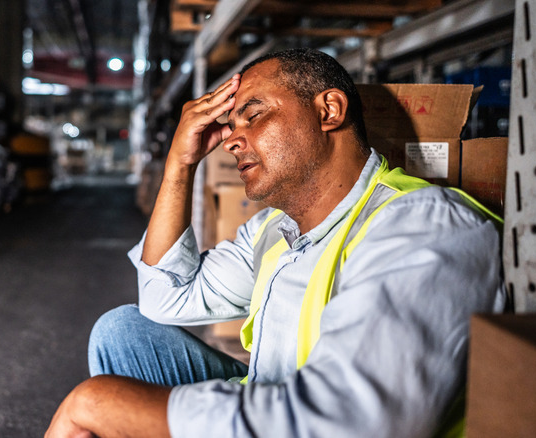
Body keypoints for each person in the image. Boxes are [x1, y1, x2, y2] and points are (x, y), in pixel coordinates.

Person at [45, 48, 506, 438]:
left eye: (254, 114)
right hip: (272, 396)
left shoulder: (421, 226)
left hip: (318, 422)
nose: (231, 140)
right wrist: (179, 166)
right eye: (231, 124)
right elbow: (166, 299)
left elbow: (348, 422)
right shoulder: (275, 230)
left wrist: (98, 403)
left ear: (329, 111)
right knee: (123, 332)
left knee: (107, 397)